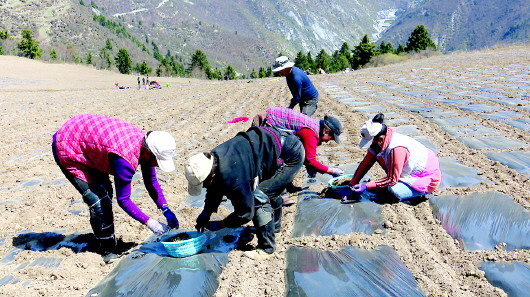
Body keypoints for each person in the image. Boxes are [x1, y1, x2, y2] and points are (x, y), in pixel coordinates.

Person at [52, 114, 179, 262]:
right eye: (158, 161)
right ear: (149, 153)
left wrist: (165, 209)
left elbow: (150, 180)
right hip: (69, 146)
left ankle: (107, 238)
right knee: (100, 202)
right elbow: (124, 200)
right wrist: (152, 224)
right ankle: (106, 248)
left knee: (106, 192)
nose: (157, 165)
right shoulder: (126, 158)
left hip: (89, 144)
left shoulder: (146, 145)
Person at [184, 126, 304, 260]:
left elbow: (246, 213)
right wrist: (206, 213)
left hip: (289, 155)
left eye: (204, 184)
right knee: (271, 189)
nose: (206, 187)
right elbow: (214, 189)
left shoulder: (233, 175)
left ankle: (266, 248)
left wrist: (223, 224)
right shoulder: (212, 161)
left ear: (210, 177)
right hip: (272, 147)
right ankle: (274, 228)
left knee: (260, 196)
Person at [342, 113, 441, 204]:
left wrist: (366, 185)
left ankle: (419, 192)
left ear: (380, 139)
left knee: (392, 192)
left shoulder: (396, 149)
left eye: (371, 142)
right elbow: (365, 165)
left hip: (423, 177)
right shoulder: (378, 144)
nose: (370, 146)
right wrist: (351, 185)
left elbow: (392, 179)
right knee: (382, 186)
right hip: (404, 172)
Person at [252, 106, 344, 185]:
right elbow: (311, 160)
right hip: (266, 121)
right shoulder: (311, 133)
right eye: (331, 138)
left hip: (271, 118)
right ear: (326, 131)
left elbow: (306, 156)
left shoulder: (315, 126)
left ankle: (283, 185)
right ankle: (266, 190)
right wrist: (331, 170)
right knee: (271, 161)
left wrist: (310, 166)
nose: (328, 142)